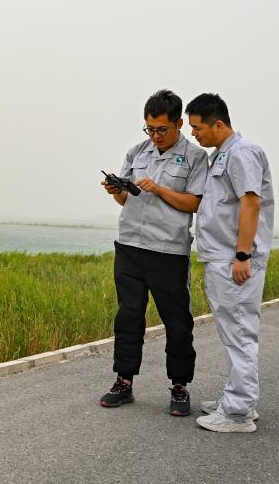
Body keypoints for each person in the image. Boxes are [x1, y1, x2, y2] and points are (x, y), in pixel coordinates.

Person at [99, 89, 208, 417]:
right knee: (128, 316)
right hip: (130, 246)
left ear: (178, 124)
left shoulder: (195, 157)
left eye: (162, 129)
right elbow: (125, 200)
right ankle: (124, 382)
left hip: (168, 251)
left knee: (177, 322)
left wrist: (160, 189)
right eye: (150, 129)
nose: (155, 136)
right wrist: (115, 190)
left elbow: (195, 203)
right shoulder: (136, 152)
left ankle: (180, 386)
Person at [185, 93, 274, 434]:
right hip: (222, 258)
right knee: (233, 332)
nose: (194, 134)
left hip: (234, 261)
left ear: (218, 124)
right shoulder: (223, 154)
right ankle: (237, 398)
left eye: (197, 128)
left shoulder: (242, 153)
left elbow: (250, 203)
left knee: (239, 334)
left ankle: (238, 412)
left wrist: (242, 255)